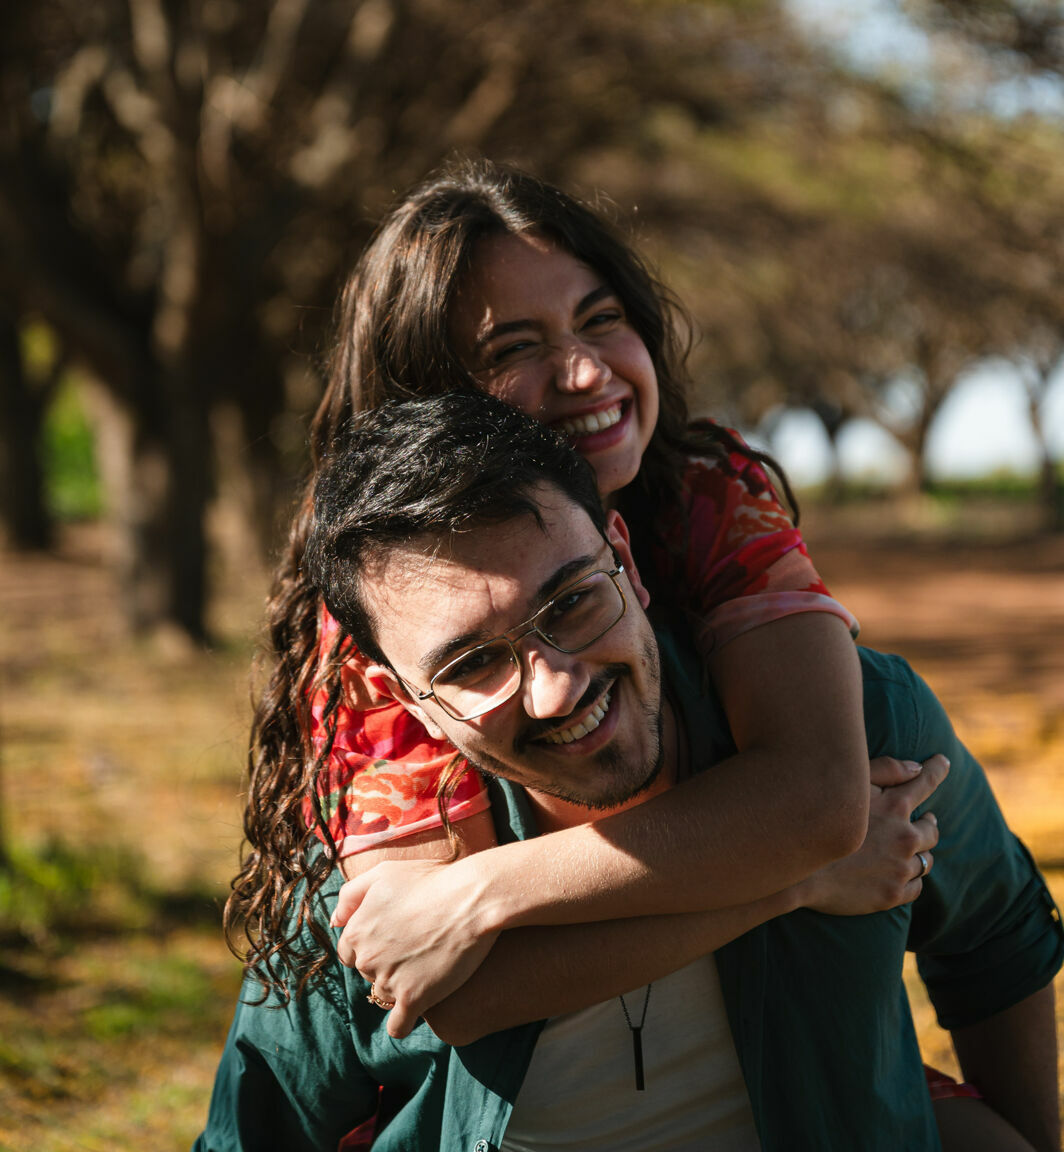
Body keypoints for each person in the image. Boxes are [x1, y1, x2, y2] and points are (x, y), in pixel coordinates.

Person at [225, 159, 1040, 1143]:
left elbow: (829, 805)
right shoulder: (370, 631)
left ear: (622, 560)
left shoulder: (707, 495)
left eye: (600, 318)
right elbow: (446, 984)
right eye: (514, 346)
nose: (581, 372)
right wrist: (801, 880)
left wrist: (478, 895)